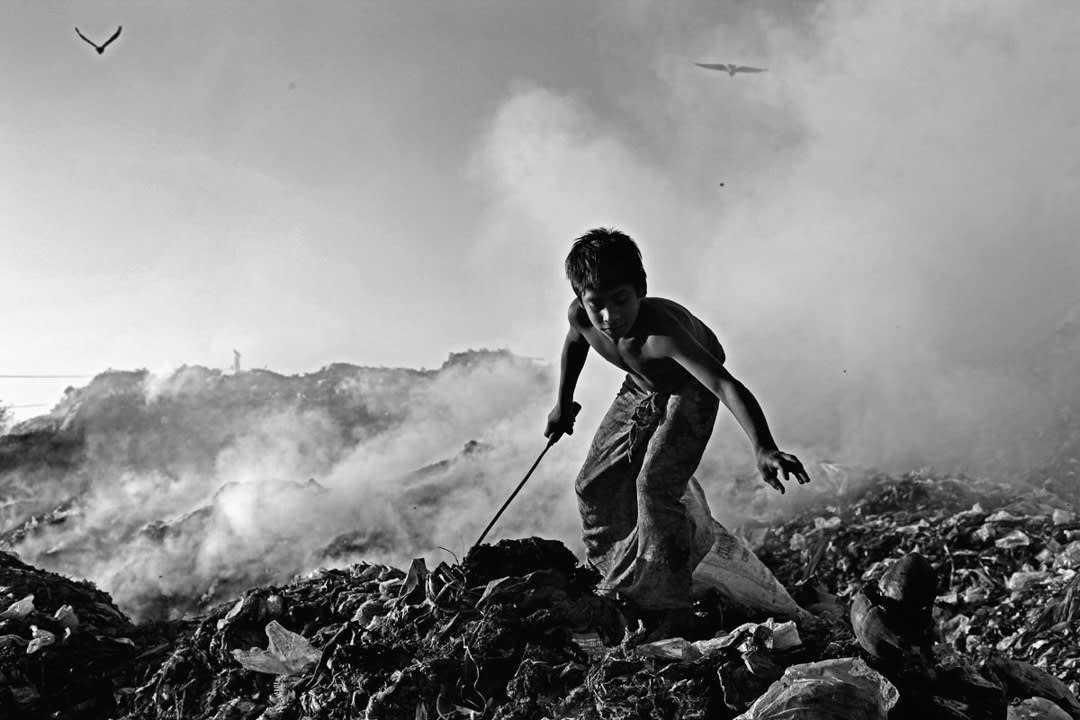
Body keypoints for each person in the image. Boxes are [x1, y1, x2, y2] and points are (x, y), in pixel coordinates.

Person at [545, 227, 811, 639]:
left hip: (691, 386)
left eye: (620, 301)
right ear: (581, 299)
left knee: (654, 487)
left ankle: (671, 605)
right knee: (591, 485)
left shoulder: (662, 336)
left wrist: (764, 447)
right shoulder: (581, 317)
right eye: (596, 304)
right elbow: (575, 344)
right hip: (641, 385)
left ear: (641, 291)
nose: (609, 317)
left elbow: (723, 385)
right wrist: (563, 404)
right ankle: (616, 577)